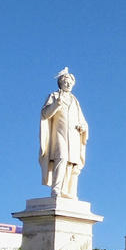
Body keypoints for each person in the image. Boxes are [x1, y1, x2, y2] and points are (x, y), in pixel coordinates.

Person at [39, 68, 88, 199]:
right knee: (61, 158)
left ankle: (69, 191)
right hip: (59, 134)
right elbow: (45, 114)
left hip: (73, 136)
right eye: (66, 81)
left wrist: (83, 127)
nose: (68, 84)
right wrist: (56, 104)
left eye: (70, 82)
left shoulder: (75, 101)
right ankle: (56, 189)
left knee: (72, 163)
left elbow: (82, 120)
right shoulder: (54, 96)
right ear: (60, 82)